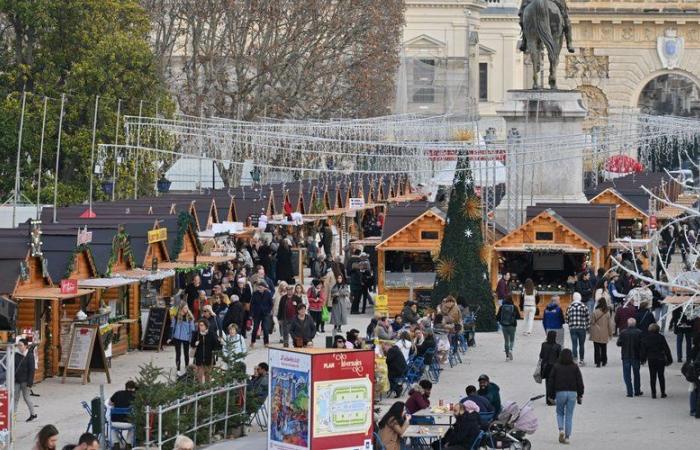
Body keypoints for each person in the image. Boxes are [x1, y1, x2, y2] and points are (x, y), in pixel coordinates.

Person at [547, 348, 584, 445]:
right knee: (569, 415)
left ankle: (561, 430)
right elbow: (579, 381)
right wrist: (580, 394)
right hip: (572, 393)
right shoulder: (575, 367)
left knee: (559, 412)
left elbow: (551, 382)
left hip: (560, 392)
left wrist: (550, 395)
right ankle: (567, 437)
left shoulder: (556, 366)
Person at [640, 323, 673, 399]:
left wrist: (643, 359)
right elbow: (666, 349)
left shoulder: (646, 338)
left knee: (652, 376)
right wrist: (669, 359)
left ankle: (653, 393)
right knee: (661, 376)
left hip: (651, 359)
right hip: (660, 358)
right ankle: (663, 392)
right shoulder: (661, 337)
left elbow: (643, 350)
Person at [617, 317, 643, 397]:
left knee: (627, 374)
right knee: (636, 374)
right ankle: (637, 390)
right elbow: (642, 345)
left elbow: (619, 343)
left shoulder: (623, 332)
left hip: (626, 355)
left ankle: (629, 391)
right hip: (636, 355)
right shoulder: (639, 332)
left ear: (628, 324)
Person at [14, 338, 37, 422]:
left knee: (26, 397)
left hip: (25, 381)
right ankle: (13, 416)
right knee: (15, 398)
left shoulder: (30, 355)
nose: (19, 347)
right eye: (18, 345)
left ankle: (33, 414)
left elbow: (32, 369)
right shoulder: (16, 355)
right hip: (16, 380)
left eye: (21, 345)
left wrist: (30, 382)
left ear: (26, 346)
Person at [169, 302, 195, 374]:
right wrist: (170, 337)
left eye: (187, 308)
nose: (186, 309)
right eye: (184, 308)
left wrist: (191, 339)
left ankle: (187, 368)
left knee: (186, 354)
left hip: (186, 338)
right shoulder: (176, 316)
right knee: (178, 354)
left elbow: (192, 329)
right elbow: (172, 327)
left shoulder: (190, 317)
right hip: (177, 337)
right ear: (181, 308)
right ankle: (178, 369)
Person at [109, 380, 137, 446]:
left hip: (115, 423)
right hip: (128, 423)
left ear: (126, 387)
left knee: (112, 425)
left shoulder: (118, 393)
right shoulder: (135, 396)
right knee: (133, 426)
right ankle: (128, 443)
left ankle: (116, 443)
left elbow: (110, 403)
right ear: (134, 388)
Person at [589, 298, 615, 368]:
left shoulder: (595, 312)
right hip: (604, 332)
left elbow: (592, 322)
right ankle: (604, 361)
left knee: (596, 348)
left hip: (596, 332)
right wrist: (610, 334)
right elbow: (609, 324)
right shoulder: (607, 313)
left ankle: (597, 362)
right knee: (604, 347)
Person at [566, 292, 589, 365]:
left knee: (574, 344)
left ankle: (575, 360)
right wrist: (588, 327)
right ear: (580, 298)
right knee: (581, 344)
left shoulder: (569, 307)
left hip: (573, 328)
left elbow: (566, 319)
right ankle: (581, 360)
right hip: (582, 328)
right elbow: (587, 318)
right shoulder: (584, 306)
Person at [496, 294, 520, 361]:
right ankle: (510, 349)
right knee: (512, 340)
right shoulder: (514, 307)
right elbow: (518, 317)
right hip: (512, 325)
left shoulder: (502, 307)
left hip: (504, 325)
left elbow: (497, 317)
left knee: (506, 340)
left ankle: (507, 357)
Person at [539, 330, 562, 404]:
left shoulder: (543, 345)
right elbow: (560, 358)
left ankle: (548, 399)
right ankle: (552, 398)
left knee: (547, 383)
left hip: (546, 367)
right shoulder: (558, 346)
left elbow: (541, 355)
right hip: (555, 367)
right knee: (554, 383)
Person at [250, 281, 273, 348]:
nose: (260, 288)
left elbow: (271, 304)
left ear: (264, 288)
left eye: (261, 287)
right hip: (257, 314)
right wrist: (251, 313)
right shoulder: (255, 293)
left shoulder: (268, 293)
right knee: (255, 328)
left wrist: (268, 311)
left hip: (265, 313)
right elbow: (252, 304)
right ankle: (252, 341)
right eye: (259, 287)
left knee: (265, 328)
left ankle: (266, 342)